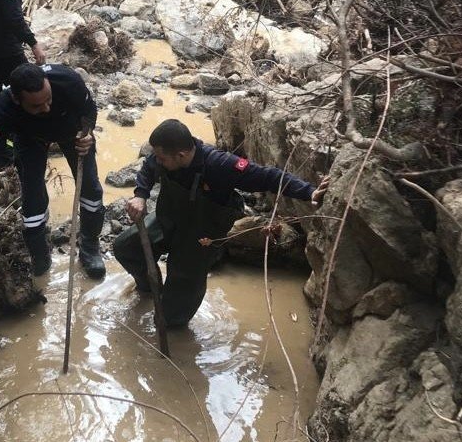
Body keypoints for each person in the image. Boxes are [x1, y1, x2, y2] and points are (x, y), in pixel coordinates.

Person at [114, 119, 329, 328]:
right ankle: (150, 288)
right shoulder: (164, 155)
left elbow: (269, 177)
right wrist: (140, 195)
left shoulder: (220, 164)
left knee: (171, 315)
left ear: (181, 155)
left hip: (199, 236)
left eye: (162, 159)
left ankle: (174, 321)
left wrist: (308, 191)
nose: (158, 161)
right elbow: (149, 166)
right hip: (168, 220)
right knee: (126, 247)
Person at [0, 63, 106, 279]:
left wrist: (87, 131)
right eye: (36, 105)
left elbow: (89, 110)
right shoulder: (3, 108)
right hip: (31, 139)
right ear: (17, 99)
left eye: (49, 100)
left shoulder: (68, 80)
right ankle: (41, 259)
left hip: (73, 134)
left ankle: (90, 246)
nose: (46, 108)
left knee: (90, 189)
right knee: (33, 202)